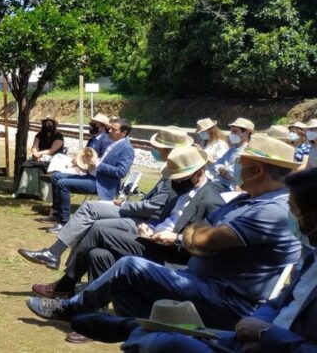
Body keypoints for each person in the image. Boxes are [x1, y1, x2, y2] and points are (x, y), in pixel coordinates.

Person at [25, 134, 302, 332]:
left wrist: (197, 238)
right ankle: (126, 329)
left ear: (257, 169)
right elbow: (200, 236)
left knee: (129, 266)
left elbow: (202, 239)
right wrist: (198, 238)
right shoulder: (246, 201)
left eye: (242, 162)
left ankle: (69, 307)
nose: (236, 167)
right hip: (200, 282)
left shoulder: (272, 210)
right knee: (117, 275)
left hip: (228, 299)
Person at [118, 167, 317, 353]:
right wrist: (252, 327)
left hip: (265, 335)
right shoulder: (313, 259)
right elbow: (279, 302)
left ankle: (87, 313)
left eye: (294, 210)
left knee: (165, 340)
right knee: (146, 330)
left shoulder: (272, 212)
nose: (290, 215)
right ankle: (94, 318)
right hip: (249, 334)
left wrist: (266, 334)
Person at [20, 126, 193, 273]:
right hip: (137, 210)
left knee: (91, 213)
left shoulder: (178, 173)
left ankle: (60, 263)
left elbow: (152, 205)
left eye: (159, 148)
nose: (155, 150)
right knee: (87, 210)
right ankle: (58, 260)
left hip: (143, 218)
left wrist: (125, 204)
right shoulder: (173, 168)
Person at [47, 118, 135, 226]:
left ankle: (64, 223)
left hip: (102, 184)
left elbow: (121, 172)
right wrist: (87, 164)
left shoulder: (127, 148)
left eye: (114, 129)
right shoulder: (115, 143)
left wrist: (97, 164)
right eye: (110, 128)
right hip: (93, 176)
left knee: (62, 184)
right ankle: (57, 213)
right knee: (56, 177)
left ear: (124, 133)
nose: (110, 131)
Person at [13, 116, 65, 198]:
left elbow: (51, 150)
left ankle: (42, 193)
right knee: (26, 166)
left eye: (50, 124)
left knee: (40, 168)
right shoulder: (40, 134)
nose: (48, 125)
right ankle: (25, 191)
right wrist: (35, 153)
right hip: (40, 157)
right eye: (47, 123)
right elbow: (35, 146)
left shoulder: (59, 136)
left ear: (54, 125)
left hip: (54, 159)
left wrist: (39, 153)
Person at [211, 117, 255, 191]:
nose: (231, 134)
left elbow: (233, 176)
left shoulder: (247, 152)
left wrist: (222, 169)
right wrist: (223, 170)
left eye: (235, 131)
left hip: (229, 188)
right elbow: (216, 165)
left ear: (246, 133)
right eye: (231, 131)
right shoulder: (233, 149)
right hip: (218, 184)